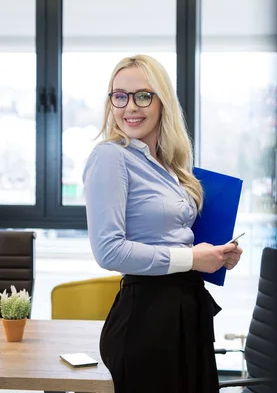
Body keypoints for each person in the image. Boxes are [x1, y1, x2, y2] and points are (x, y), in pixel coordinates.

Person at [83, 54, 243, 393]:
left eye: (142, 95)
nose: (130, 107)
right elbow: (109, 251)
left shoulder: (171, 167)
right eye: (119, 96)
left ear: (162, 102)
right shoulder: (111, 157)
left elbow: (176, 238)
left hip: (187, 310)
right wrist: (192, 258)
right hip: (146, 320)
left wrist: (215, 254)